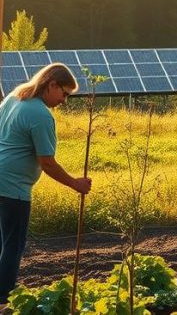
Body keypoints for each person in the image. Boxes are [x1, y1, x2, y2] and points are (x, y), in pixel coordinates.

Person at [0, 63, 92, 303]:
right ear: (52, 84)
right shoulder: (40, 114)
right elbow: (47, 163)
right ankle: (3, 300)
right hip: (13, 189)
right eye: (64, 93)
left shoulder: (14, 98)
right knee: (12, 247)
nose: (64, 100)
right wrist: (75, 184)